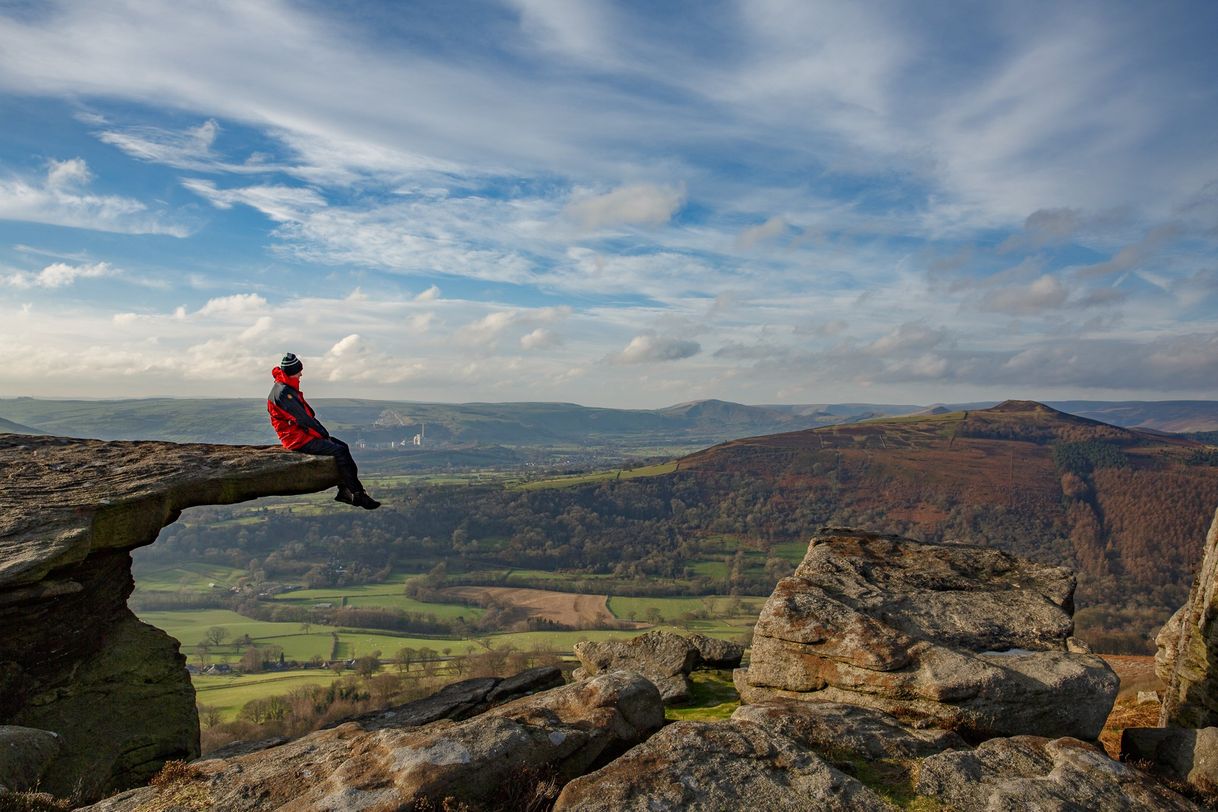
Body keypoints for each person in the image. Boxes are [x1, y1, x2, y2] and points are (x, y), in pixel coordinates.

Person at [267, 352, 380, 510]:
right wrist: (323, 436)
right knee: (339, 451)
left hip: (299, 435)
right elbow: (304, 421)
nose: (301, 374)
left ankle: (347, 491)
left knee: (343, 447)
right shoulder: (284, 393)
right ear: (292, 372)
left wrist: (323, 436)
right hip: (296, 439)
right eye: (299, 371)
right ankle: (357, 494)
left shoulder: (284, 388)